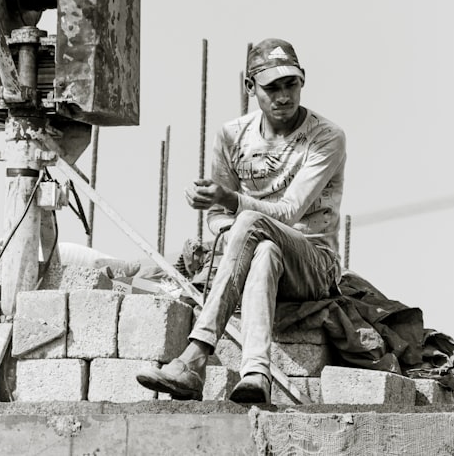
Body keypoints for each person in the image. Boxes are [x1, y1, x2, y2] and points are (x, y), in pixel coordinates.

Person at [136, 38, 345, 403]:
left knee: (253, 224)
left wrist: (231, 201)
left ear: (302, 81)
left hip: (313, 265)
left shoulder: (326, 138)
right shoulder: (233, 135)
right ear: (251, 89)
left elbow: (288, 211)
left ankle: (195, 355)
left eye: (290, 84)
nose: (283, 96)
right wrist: (223, 215)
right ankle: (255, 373)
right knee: (263, 250)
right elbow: (217, 219)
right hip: (260, 255)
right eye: (272, 88)